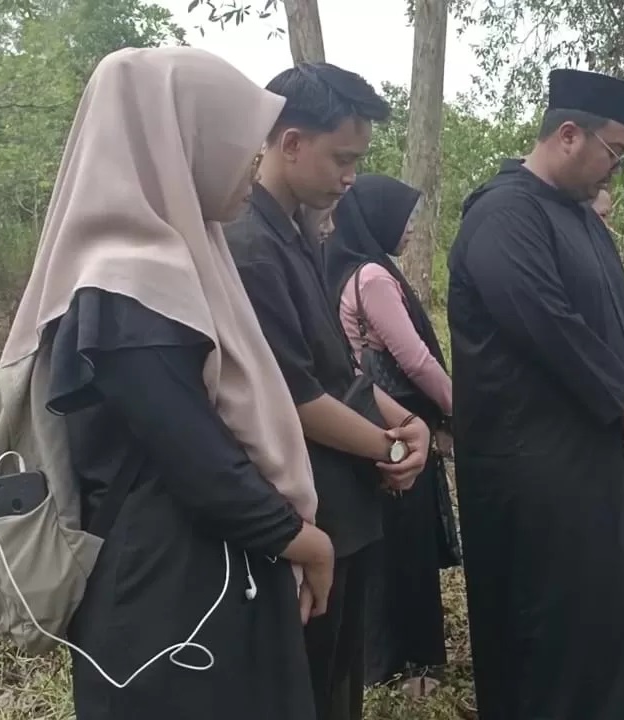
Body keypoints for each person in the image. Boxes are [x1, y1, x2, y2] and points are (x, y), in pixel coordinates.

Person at [0, 47, 334, 719]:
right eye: (239, 145)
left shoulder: (189, 258)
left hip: (207, 573)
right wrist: (306, 541)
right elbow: (197, 459)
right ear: (179, 139)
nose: (253, 165)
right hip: (170, 595)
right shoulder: (127, 282)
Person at [445, 68, 624, 720]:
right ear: (570, 134)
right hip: (533, 478)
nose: (614, 170)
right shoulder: (503, 214)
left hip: (590, 468)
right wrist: (623, 400)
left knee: (596, 628)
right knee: (547, 637)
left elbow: (621, 317)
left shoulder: (582, 219)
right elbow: (543, 319)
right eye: (614, 153)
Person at [224, 63, 431, 720]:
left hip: (347, 503)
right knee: (309, 687)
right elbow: (293, 395)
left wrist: (407, 423)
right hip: (309, 508)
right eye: (342, 158)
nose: (350, 176)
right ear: (290, 143)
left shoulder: (306, 234)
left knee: (343, 681)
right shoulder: (250, 246)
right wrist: (390, 450)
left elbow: (344, 368)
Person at [322, 174, 461, 696]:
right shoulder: (375, 278)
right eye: (405, 218)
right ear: (379, 219)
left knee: (382, 545)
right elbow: (416, 360)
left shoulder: (339, 270)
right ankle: (412, 665)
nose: (410, 228)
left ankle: (379, 660)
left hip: (367, 421)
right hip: (400, 425)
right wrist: (458, 410)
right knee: (408, 546)